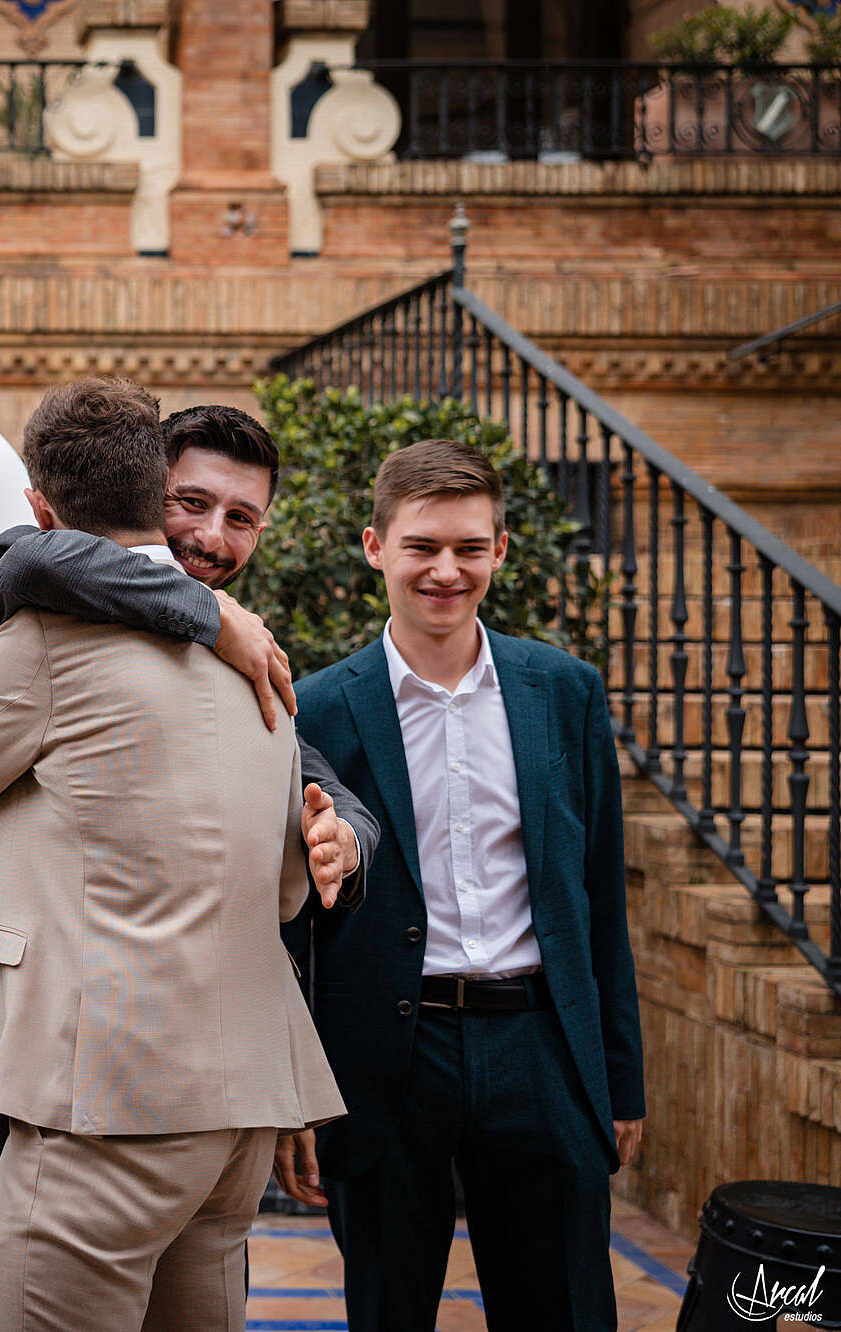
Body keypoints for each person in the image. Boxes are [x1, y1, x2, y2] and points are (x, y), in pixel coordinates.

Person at [0, 378, 343, 1330]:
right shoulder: (258, 664)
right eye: (194, 505)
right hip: (238, 1111)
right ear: (152, 495)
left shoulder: (50, 637)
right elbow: (288, 892)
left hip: (101, 1100)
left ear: (42, 508)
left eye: (241, 516)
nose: (214, 534)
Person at [282, 439, 645, 1331]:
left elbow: (600, 896)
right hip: (384, 1061)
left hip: (541, 1046)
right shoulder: (315, 707)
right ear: (376, 548)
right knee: (388, 1310)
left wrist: (620, 1080)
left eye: (470, 548)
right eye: (423, 547)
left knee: (563, 1310)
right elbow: (290, 924)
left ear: (500, 552)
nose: (446, 571)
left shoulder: (565, 692)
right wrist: (292, 1096)